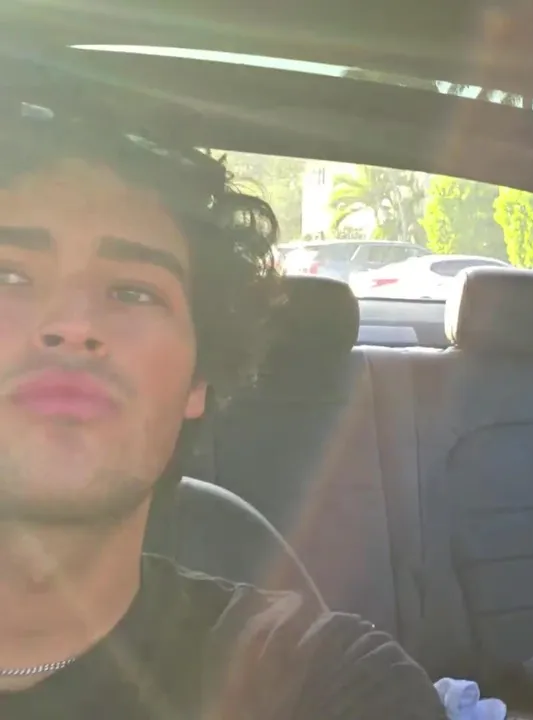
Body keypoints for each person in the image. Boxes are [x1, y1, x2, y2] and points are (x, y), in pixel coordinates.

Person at [0, 99, 446, 718]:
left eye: (133, 292)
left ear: (196, 381)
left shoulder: (319, 681)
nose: (73, 324)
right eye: (10, 277)